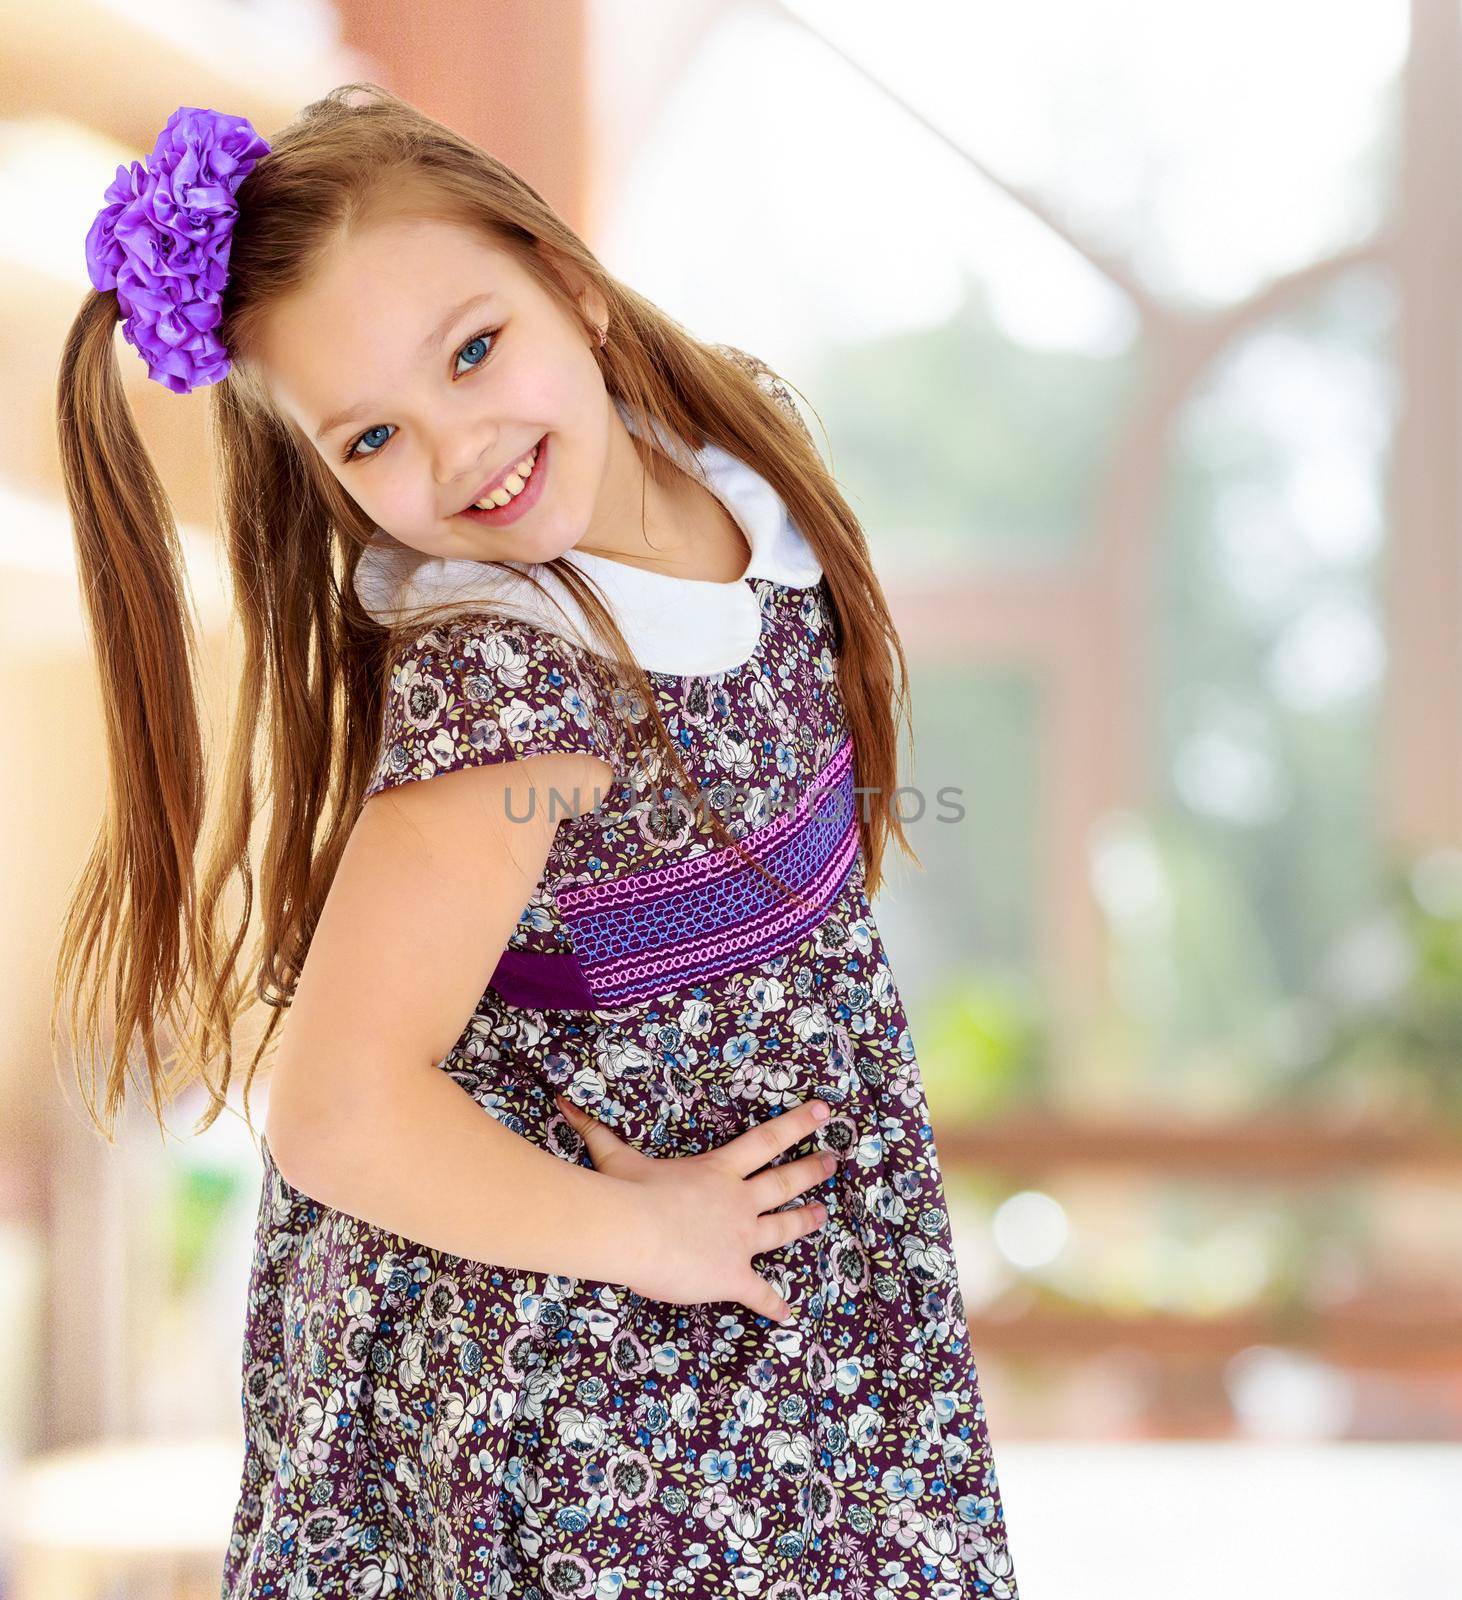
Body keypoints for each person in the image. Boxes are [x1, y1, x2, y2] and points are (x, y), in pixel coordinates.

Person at [53, 83, 1020, 1599]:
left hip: (744, 1286)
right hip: (582, 1353)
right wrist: (636, 1237)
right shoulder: (511, 668)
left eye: (474, 349)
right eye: (374, 435)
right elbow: (337, 1111)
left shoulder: (728, 471)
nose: (462, 449)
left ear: (565, 274)